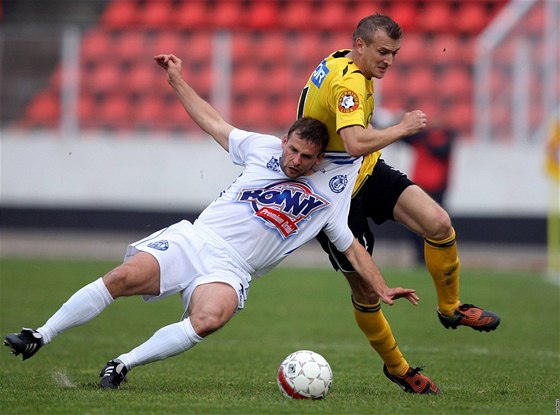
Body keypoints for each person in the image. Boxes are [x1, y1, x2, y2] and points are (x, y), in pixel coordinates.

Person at [4, 54, 438, 393]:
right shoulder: (260, 148)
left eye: (306, 158)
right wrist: (176, 79)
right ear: (284, 140)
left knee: (211, 318)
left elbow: (352, 249)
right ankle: (40, 334)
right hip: (197, 240)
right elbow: (212, 120)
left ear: (317, 160)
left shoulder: (327, 201)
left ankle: (122, 365)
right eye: (292, 151)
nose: (295, 161)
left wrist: (381, 287)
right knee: (122, 277)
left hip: (232, 270)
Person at [297, 12, 500, 389]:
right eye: (383, 52)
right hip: (332, 195)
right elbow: (356, 140)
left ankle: (451, 308)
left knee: (439, 223)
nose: (389, 61)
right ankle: (398, 367)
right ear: (360, 46)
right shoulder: (350, 85)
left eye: (394, 53)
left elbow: (355, 146)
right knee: (365, 290)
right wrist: (404, 127)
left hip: (364, 170)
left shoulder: (344, 58)